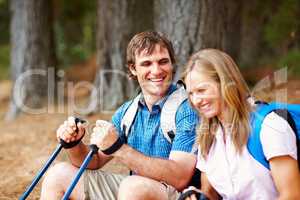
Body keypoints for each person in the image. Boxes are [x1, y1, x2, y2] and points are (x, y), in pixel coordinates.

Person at [40, 31, 199, 200]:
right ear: (133, 68)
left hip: (179, 195)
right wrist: (74, 144)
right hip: (133, 191)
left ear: (172, 64)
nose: (156, 70)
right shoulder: (127, 112)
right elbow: (94, 161)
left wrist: (119, 148)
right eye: (146, 63)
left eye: (163, 62)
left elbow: (180, 177)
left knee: (133, 186)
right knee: (58, 174)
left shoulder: (187, 109)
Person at [182, 48, 300, 199]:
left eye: (202, 90)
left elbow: (291, 195)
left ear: (226, 84)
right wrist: (195, 195)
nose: (196, 100)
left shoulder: (270, 126)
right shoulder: (207, 135)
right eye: (191, 94)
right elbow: (210, 193)